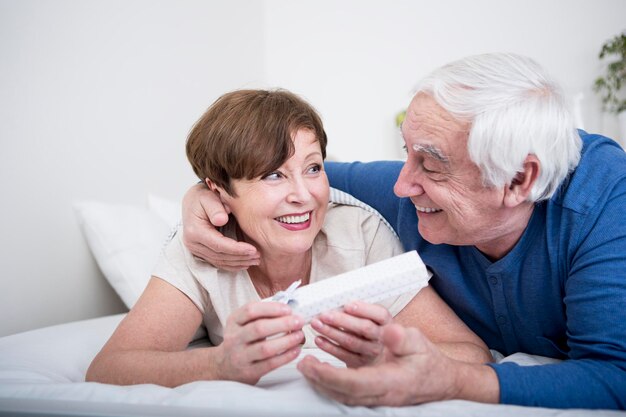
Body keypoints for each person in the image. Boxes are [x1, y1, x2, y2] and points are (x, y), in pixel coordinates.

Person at [180, 54, 626, 409]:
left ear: (518, 181)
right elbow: (282, 175)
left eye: (429, 165)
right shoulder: (405, 193)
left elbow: (615, 374)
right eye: (405, 153)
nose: (400, 185)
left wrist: (450, 379)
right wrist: (204, 195)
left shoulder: (603, 202)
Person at [86, 89, 491, 387]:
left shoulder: (358, 235)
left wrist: (386, 356)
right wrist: (217, 366)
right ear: (219, 191)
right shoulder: (201, 250)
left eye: (313, 168)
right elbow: (109, 370)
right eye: (273, 175)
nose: (305, 194)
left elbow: (470, 353)